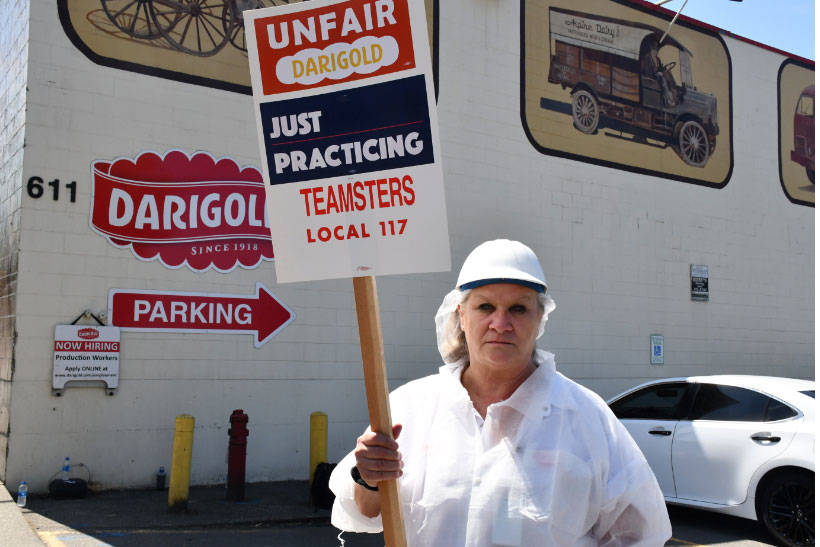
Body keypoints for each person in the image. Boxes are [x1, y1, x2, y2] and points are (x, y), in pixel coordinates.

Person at [329, 239, 672, 546]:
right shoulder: (411, 408)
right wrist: (369, 477)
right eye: (485, 307)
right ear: (461, 315)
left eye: (518, 309)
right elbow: (365, 512)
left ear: (540, 319)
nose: (500, 324)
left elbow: (640, 533)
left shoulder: (586, 417)